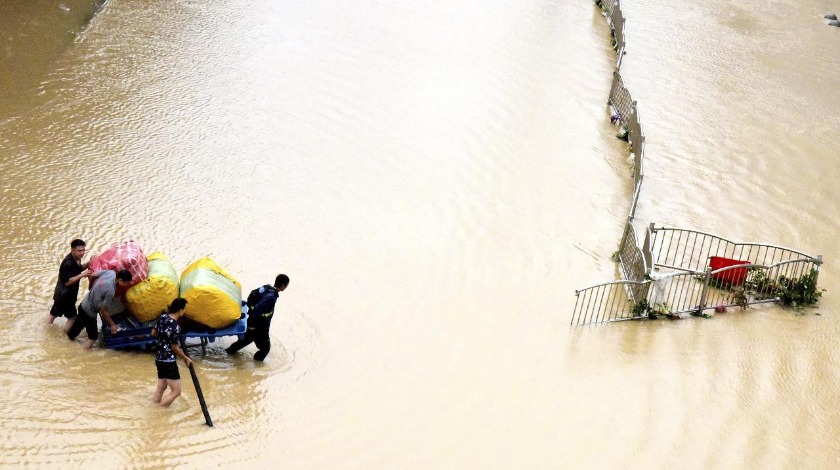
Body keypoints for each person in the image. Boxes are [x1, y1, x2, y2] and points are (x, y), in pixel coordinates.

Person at [226, 274, 290, 361]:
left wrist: (251, 311)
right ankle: (257, 366)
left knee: (244, 341)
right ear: (283, 285)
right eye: (286, 285)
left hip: (253, 323)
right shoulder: (271, 297)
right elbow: (258, 309)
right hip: (260, 326)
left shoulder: (266, 288)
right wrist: (252, 324)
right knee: (265, 348)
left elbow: (252, 295)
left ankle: (228, 353)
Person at [67, 269, 132, 349]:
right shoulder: (110, 291)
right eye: (127, 283)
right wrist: (112, 325)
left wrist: (92, 288)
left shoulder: (110, 273)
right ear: (120, 280)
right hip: (89, 313)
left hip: (83, 304)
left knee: (72, 334)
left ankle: (66, 345)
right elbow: (103, 311)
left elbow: (92, 275)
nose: (127, 285)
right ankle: (82, 355)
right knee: (93, 337)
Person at [151, 298, 192, 407]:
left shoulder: (163, 318)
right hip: (168, 361)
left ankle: (153, 407)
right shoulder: (175, 327)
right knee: (176, 391)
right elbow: (175, 347)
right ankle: (159, 412)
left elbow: (153, 333)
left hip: (159, 359)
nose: (184, 312)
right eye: (184, 309)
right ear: (180, 310)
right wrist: (185, 358)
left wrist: (163, 338)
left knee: (161, 387)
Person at [47, 239, 92, 332]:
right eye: (79, 251)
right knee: (72, 318)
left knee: (54, 313)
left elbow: (78, 269)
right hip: (65, 295)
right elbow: (68, 282)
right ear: (72, 250)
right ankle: (63, 337)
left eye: (83, 250)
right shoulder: (67, 263)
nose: (82, 253)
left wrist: (88, 264)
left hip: (63, 294)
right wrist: (83, 275)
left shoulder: (77, 259)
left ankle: (47, 330)